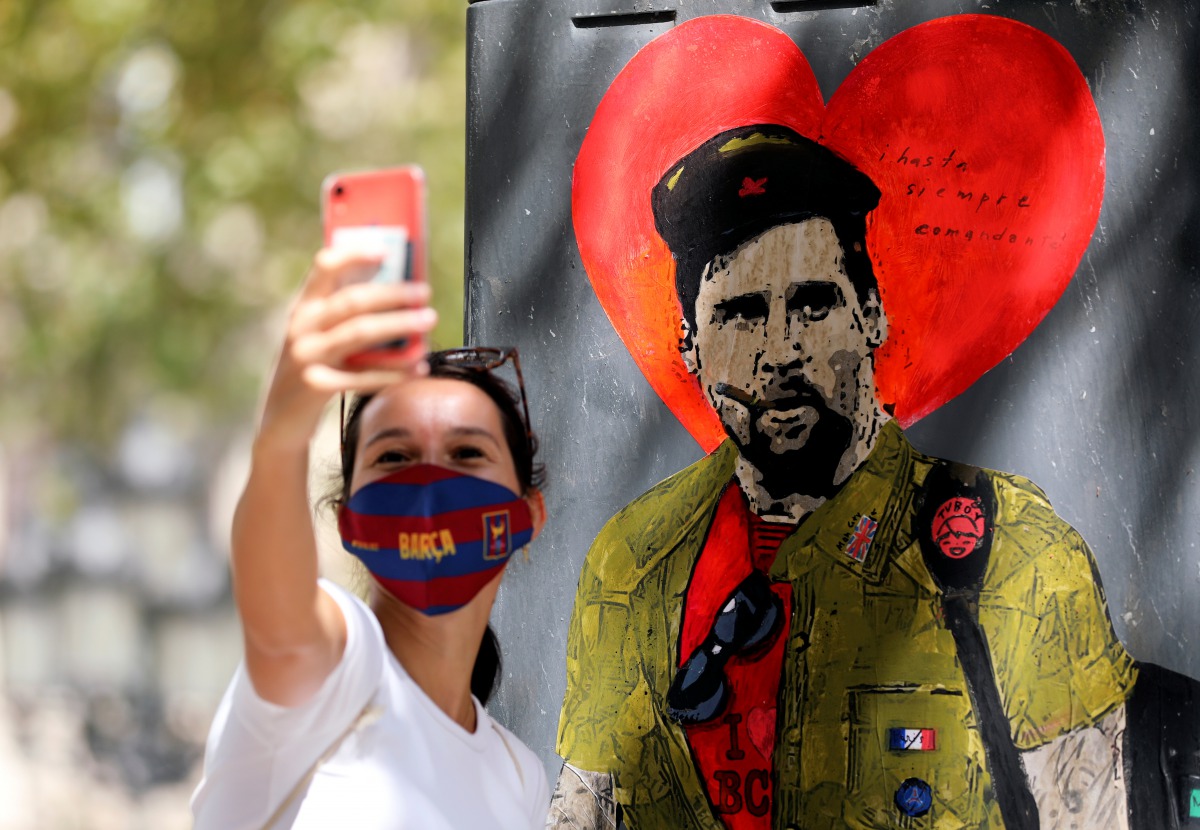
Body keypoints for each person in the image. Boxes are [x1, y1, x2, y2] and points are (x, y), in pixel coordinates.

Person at [550, 125, 1152, 829]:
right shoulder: (635, 562)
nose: (781, 351)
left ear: (870, 313)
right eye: (741, 315)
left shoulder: (1013, 555)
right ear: (691, 345)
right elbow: (583, 809)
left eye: (812, 303)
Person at [191, 246, 550, 829]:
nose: (430, 485)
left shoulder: (519, 777)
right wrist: (282, 437)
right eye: (395, 457)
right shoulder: (334, 671)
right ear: (346, 521)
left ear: (527, 514)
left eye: (466, 453)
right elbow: (280, 628)